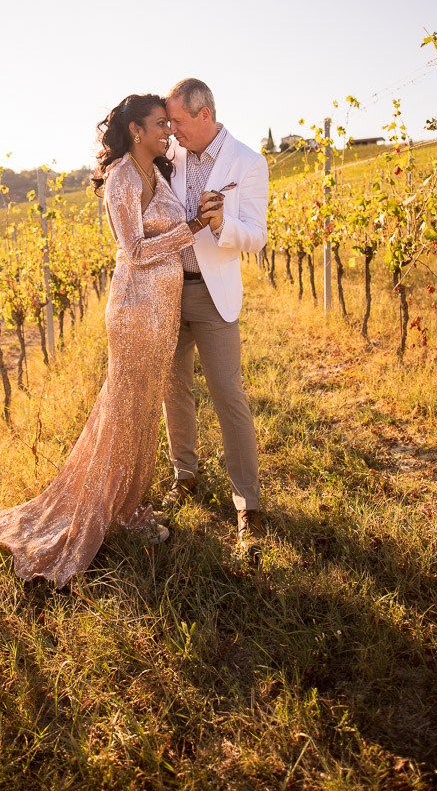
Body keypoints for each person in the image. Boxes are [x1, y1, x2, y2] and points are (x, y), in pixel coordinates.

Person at [0, 94, 219, 588]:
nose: (168, 131)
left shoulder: (157, 173)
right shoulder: (123, 178)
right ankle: (109, 510)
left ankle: (130, 505)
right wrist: (191, 228)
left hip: (161, 306)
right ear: (135, 131)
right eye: (159, 125)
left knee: (146, 408)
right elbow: (134, 250)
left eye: (169, 125)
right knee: (128, 407)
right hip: (135, 309)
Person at [161, 78, 269, 548]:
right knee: (173, 388)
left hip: (213, 293)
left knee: (228, 393)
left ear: (205, 115)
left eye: (178, 121)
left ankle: (249, 504)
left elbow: (257, 235)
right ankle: (185, 476)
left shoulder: (248, 161)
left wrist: (224, 223)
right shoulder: (174, 157)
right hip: (166, 293)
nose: (172, 130)